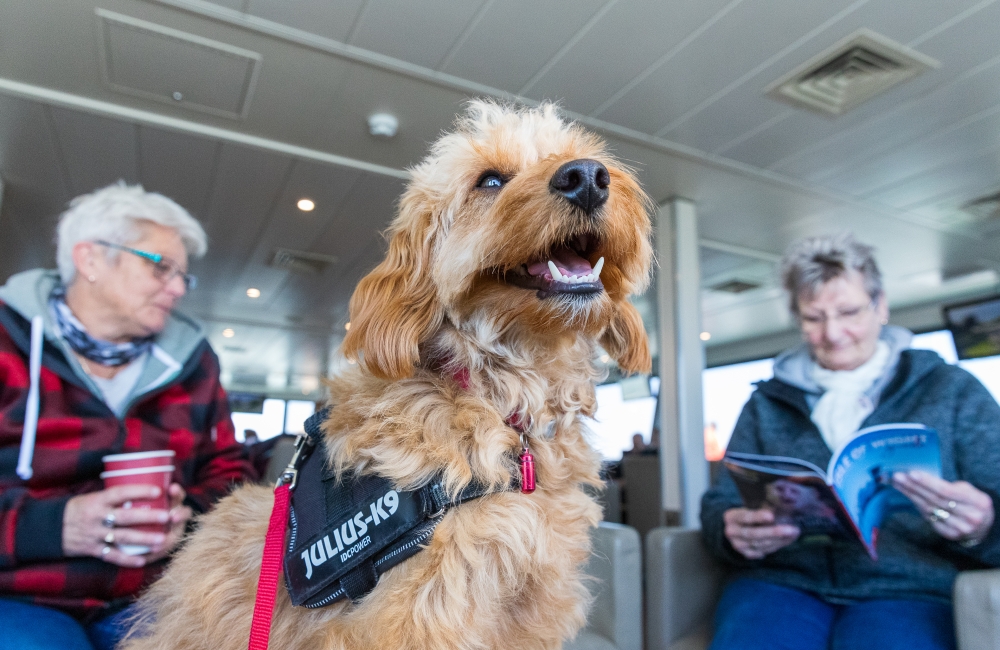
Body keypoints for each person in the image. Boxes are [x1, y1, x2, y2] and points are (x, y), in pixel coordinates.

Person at [701, 233, 1000, 650]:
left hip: (908, 590)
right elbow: (719, 504)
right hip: (781, 582)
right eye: (814, 318)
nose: (834, 333)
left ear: (881, 307)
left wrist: (984, 525)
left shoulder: (953, 391)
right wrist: (731, 530)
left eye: (849, 312)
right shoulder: (765, 402)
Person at [0, 183, 256, 650]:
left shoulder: (194, 362)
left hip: (153, 594)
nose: (177, 288)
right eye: (160, 266)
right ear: (90, 259)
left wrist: (189, 518)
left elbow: (230, 472)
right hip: (22, 595)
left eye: (183, 275)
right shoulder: (8, 342)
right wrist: (56, 525)